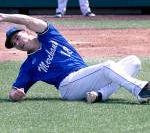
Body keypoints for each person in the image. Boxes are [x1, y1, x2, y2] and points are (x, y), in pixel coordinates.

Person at [0, 13, 150, 104]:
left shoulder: (49, 35)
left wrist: (5, 17)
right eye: (14, 43)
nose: (17, 43)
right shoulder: (28, 66)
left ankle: (100, 95)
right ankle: (140, 89)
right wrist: (16, 95)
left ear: (27, 32)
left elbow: (28, 20)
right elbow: (13, 92)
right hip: (68, 86)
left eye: (17, 37)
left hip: (85, 76)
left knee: (134, 61)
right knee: (108, 66)